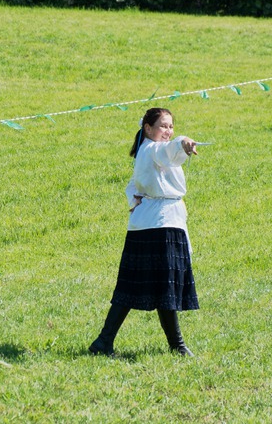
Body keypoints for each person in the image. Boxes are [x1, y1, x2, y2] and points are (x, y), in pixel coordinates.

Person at [89, 107, 199, 357]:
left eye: (171, 126)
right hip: (159, 227)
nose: (168, 131)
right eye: (163, 126)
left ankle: (107, 342)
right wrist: (182, 141)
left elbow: (134, 183)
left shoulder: (146, 152)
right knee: (149, 287)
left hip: (157, 223)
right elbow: (167, 150)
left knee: (158, 287)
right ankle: (175, 346)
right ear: (148, 129)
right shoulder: (153, 149)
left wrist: (135, 199)